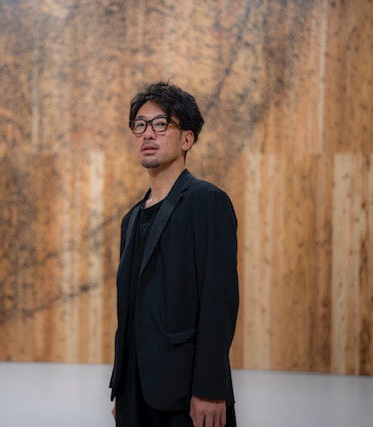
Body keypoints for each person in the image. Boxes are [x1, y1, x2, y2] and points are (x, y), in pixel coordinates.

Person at [109, 82, 239, 427]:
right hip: (136, 393)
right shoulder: (131, 219)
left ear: (187, 139)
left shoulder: (206, 202)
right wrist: (123, 389)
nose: (148, 133)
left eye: (161, 124)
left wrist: (211, 388)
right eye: (140, 124)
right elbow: (131, 313)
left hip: (186, 393)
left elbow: (218, 300)